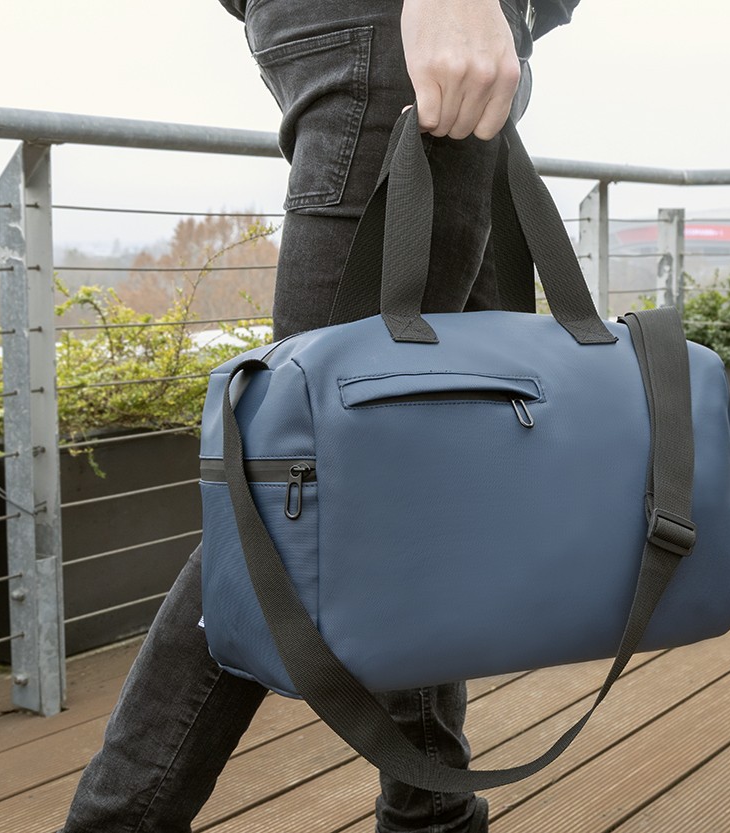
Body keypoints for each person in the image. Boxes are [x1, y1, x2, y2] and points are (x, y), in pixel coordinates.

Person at [62, 1, 579, 831]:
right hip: (406, 33)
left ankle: (433, 812)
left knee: (414, 459)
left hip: (412, 42)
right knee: (289, 484)